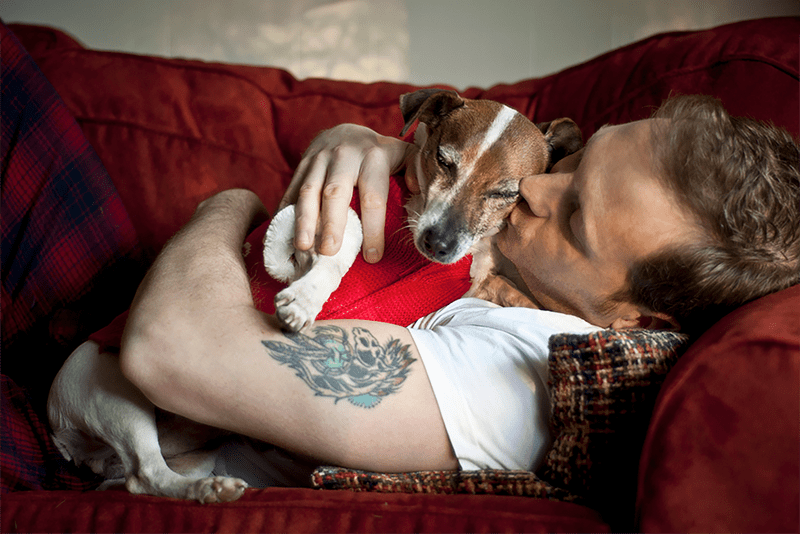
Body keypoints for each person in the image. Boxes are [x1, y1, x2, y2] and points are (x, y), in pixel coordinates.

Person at [118, 95, 800, 479]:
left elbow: (167, 349)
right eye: (575, 159)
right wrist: (373, 146)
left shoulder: (511, 379)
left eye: (571, 215)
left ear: (636, 318)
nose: (529, 188)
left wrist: (227, 204)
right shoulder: (519, 269)